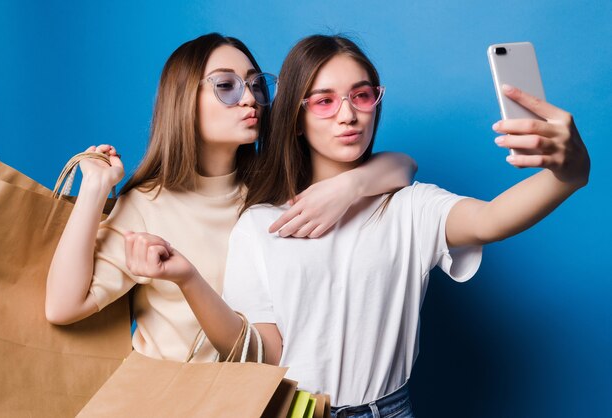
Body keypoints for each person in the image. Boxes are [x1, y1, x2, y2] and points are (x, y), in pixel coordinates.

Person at [120, 33, 589, 417]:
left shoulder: (408, 208)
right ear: (297, 118)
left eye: (362, 95)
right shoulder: (260, 224)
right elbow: (263, 352)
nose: (348, 114)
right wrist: (186, 278)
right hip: (293, 411)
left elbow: (491, 218)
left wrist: (570, 173)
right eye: (323, 101)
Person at [45, 33, 417, 363]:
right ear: (184, 99)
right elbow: (63, 306)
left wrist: (349, 186)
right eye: (226, 86)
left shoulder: (275, 188)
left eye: (256, 85)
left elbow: (403, 166)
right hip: (170, 401)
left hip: (257, 397)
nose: (249, 99)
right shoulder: (147, 205)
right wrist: (94, 190)